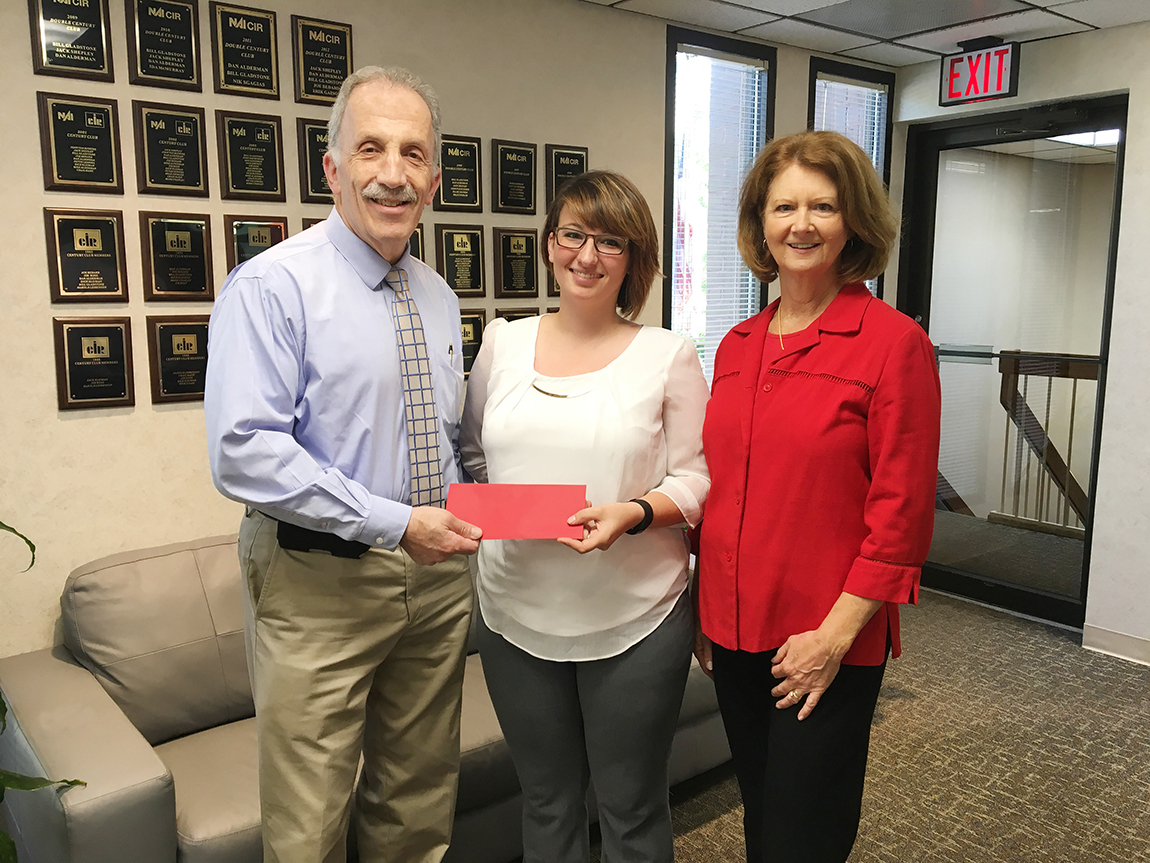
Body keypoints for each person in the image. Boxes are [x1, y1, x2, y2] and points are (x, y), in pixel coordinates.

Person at [204, 66, 482, 863]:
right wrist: (395, 523)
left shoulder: (437, 294)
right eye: (371, 148)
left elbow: (442, 432)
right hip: (316, 581)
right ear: (332, 167)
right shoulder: (273, 286)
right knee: (309, 821)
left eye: (413, 152)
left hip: (433, 582)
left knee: (418, 799)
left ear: (433, 173)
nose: (393, 172)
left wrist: (493, 502)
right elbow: (243, 450)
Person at [693, 131, 941, 863]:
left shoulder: (892, 343)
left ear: (853, 221)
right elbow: (724, 485)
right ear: (760, 224)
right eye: (784, 206)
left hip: (825, 638)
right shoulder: (738, 344)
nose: (801, 224)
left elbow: (902, 514)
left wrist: (832, 638)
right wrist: (708, 607)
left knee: (805, 835)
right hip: (735, 633)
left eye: (823, 206)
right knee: (763, 819)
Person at [460, 171, 710, 863]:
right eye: (573, 234)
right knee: (546, 802)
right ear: (549, 244)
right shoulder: (502, 343)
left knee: (629, 808)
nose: (587, 255)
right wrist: (506, 510)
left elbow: (698, 478)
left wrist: (632, 511)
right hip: (513, 611)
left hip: (635, 617)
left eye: (611, 241)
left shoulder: (668, 354)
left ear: (634, 260)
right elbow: (474, 452)